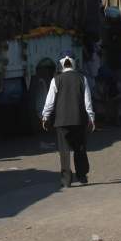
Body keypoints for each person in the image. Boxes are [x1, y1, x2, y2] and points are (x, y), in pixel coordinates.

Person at [41, 54, 95, 187]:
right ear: (74, 64)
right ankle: (82, 176)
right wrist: (91, 118)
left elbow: (50, 102)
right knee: (80, 148)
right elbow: (87, 101)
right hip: (79, 120)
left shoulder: (56, 80)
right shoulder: (82, 78)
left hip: (61, 121)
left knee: (64, 151)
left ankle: (66, 180)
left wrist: (45, 116)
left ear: (61, 65)